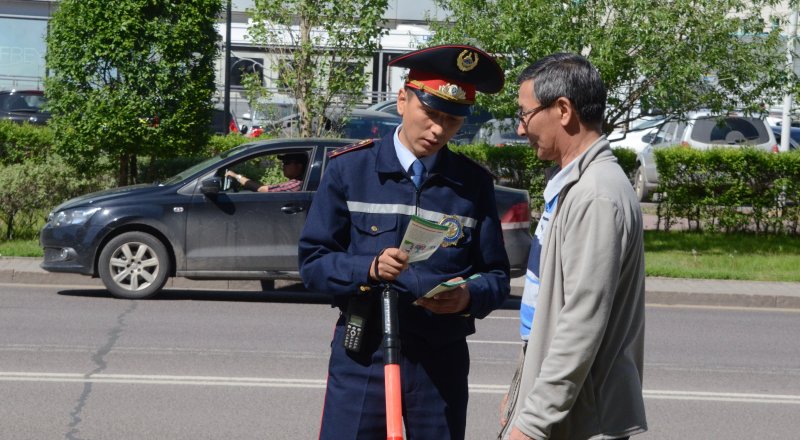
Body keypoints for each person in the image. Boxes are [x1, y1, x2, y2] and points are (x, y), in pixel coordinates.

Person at [298, 45, 511, 440]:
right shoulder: (349, 171)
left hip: (438, 360)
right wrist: (368, 267)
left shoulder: (471, 183)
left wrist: (467, 296)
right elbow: (313, 263)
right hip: (363, 355)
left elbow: (496, 275)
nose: (437, 130)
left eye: (451, 121)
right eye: (430, 114)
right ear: (402, 100)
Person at [498, 53, 647, 440]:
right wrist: (522, 388)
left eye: (525, 114)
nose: (519, 128)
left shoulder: (596, 194)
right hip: (564, 410)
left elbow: (581, 322)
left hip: (579, 419)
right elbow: (545, 312)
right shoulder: (578, 185)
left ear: (563, 110)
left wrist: (531, 422)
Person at [225, 153, 307, 192]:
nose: (283, 165)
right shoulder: (295, 182)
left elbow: (262, 189)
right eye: (283, 163)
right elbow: (269, 187)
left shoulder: (297, 184)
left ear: (299, 166)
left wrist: (236, 176)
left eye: (287, 162)